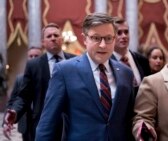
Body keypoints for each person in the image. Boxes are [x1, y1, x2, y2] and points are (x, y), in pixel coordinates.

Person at [35, 13, 135, 141]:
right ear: (85, 39)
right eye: (96, 38)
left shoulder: (126, 73)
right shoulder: (65, 71)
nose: (103, 45)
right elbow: (47, 124)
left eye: (108, 38)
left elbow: (130, 118)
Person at [3, 23, 76, 141]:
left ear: (61, 39)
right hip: (44, 124)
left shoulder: (75, 61)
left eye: (56, 35)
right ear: (43, 42)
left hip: (72, 123)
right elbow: (24, 96)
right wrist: (15, 112)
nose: (53, 38)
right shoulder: (34, 65)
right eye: (49, 36)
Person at [2, 47, 43, 141]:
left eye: (36, 56)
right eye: (30, 56)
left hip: (43, 123)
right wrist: (6, 121)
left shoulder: (48, 77)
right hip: (26, 124)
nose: (33, 58)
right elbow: (12, 101)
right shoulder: (20, 79)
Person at [112, 17, 151, 93]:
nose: (124, 36)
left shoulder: (141, 60)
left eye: (126, 32)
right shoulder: (106, 62)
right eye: (119, 33)